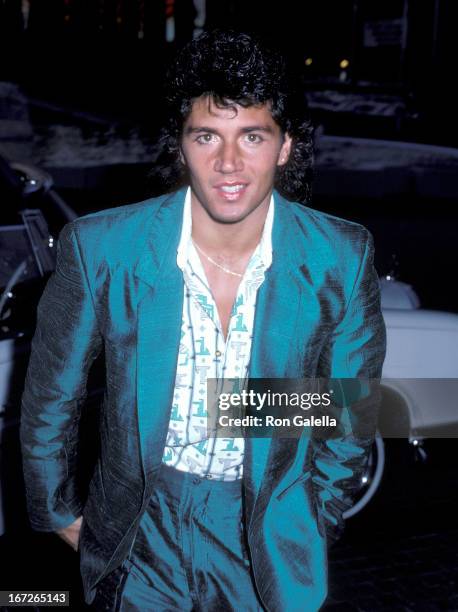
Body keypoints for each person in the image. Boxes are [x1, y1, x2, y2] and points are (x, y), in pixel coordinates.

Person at [20, 30, 386, 612]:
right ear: (182, 146)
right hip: (143, 523)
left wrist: (316, 516)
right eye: (208, 136)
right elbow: (50, 398)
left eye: (253, 136)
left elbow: (345, 411)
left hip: (262, 529)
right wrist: (61, 512)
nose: (229, 163)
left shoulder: (339, 257)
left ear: (285, 147)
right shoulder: (102, 247)